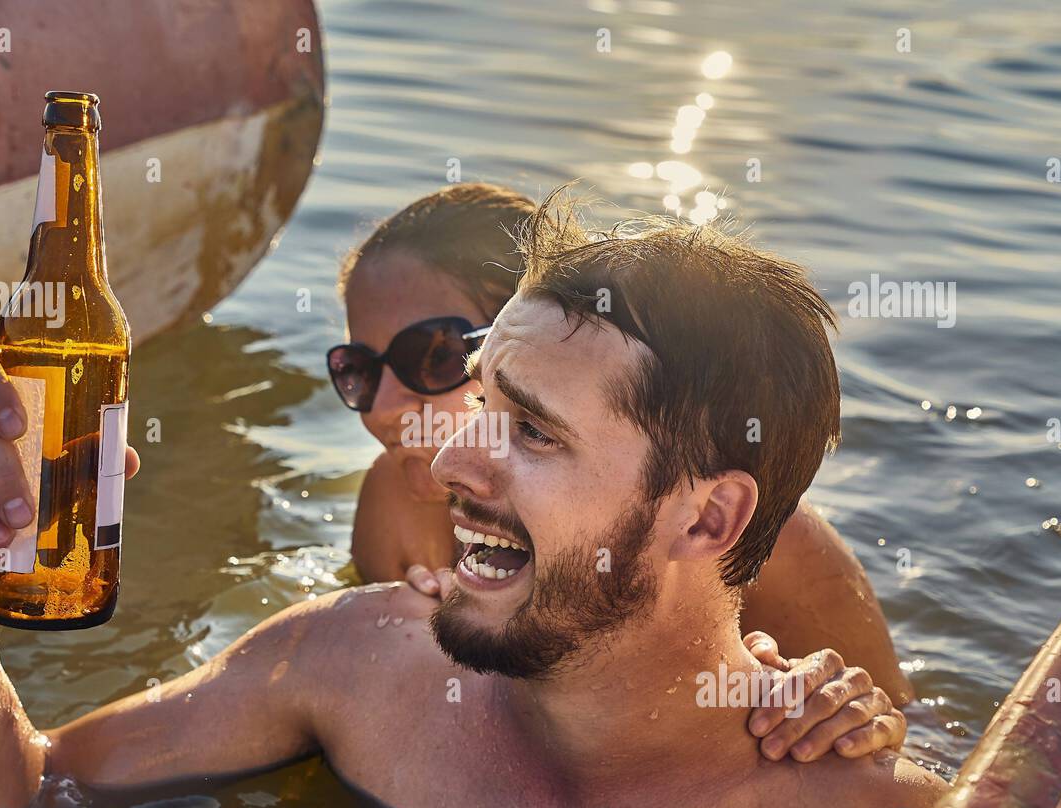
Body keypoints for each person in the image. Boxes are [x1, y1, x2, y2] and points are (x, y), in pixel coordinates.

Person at [0, 189, 946, 808]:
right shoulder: (351, 661)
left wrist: (851, 705)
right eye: (482, 400)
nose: (447, 455)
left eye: (533, 432)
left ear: (708, 515)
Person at [333, 184, 913, 721]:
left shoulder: (770, 540)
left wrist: (837, 707)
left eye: (430, 355)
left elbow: (908, 728)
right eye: (357, 370)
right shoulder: (395, 501)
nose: (381, 407)